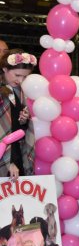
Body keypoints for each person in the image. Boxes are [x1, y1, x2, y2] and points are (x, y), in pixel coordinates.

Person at [0, 49, 37, 179]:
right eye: (17, 75)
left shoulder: (22, 92)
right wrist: (7, 162)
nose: (21, 80)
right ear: (5, 69)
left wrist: (24, 120)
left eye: (25, 77)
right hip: (4, 155)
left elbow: (17, 127)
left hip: (17, 152)